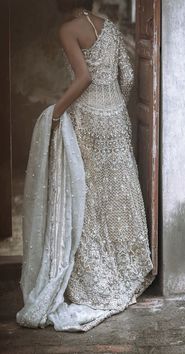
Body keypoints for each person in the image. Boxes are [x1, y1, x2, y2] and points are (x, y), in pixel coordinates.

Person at [16, 0, 154, 332]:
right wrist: (117, 105)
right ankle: (130, 264)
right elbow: (129, 76)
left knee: (89, 195)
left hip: (88, 118)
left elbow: (84, 78)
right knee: (118, 189)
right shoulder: (109, 27)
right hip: (116, 116)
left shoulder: (67, 30)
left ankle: (97, 276)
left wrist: (56, 113)